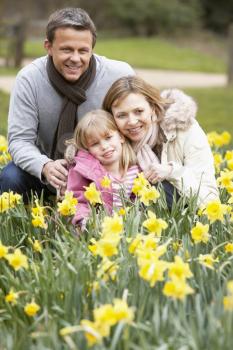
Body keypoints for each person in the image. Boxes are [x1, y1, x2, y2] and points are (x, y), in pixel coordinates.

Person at [0, 7, 134, 201]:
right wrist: (44, 166)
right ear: (48, 46)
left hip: (104, 171)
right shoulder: (29, 79)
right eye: (66, 49)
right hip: (48, 170)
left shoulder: (118, 75)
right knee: (10, 178)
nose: (75, 58)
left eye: (83, 51)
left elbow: (138, 125)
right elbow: (20, 140)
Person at [102, 75, 219, 206]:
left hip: (183, 218)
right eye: (121, 115)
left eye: (139, 111)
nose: (132, 122)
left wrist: (172, 172)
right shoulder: (109, 143)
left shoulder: (184, 129)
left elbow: (210, 201)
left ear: (152, 108)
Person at [66, 109, 140, 228]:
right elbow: (78, 201)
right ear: (87, 149)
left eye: (108, 137)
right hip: (99, 229)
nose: (104, 146)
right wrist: (86, 222)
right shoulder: (85, 172)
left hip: (129, 228)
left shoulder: (135, 171)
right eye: (95, 144)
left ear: (121, 137)